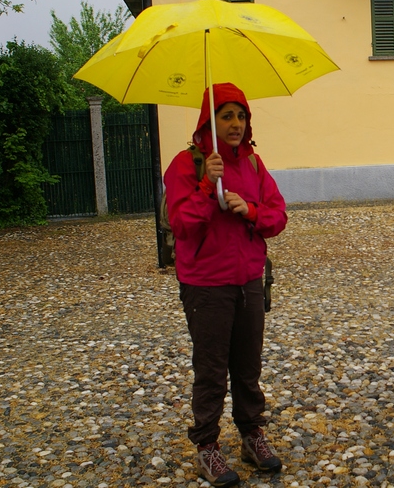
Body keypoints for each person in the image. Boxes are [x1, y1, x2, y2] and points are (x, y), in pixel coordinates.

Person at [164, 83, 287, 487]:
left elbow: (277, 216)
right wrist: (206, 186)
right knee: (212, 369)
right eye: (226, 115)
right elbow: (181, 225)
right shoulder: (187, 164)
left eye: (241, 115)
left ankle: (252, 434)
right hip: (207, 284)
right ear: (208, 121)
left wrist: (249, 210)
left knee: (248, 367)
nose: (236, 124)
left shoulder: (253, 164)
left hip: (249, 279)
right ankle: (207, 447)